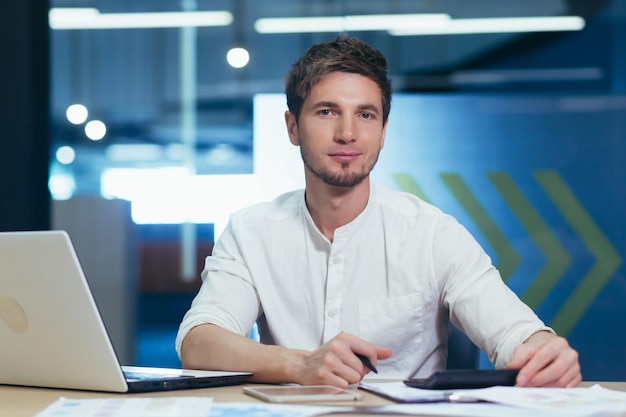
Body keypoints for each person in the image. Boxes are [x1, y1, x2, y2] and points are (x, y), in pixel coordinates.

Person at [176, 36, 581, 388]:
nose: (348, 133)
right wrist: (301, 364)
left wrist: (542, 352)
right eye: (326, 111)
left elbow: (513, 332)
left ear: (384, 130)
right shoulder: (251, 231)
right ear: (292, 127)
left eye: (365, 115)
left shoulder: (433, 233)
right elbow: (199, 341)